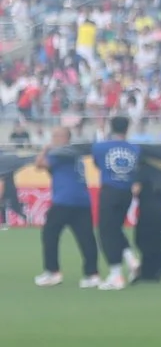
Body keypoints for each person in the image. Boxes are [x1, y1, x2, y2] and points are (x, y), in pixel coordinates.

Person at [35, 126, 99, 288]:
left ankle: (53, 272)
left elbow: (40, 164)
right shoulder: (76, 154)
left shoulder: (60, 153)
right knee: (86, 238)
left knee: (50, 234)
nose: (53, 139)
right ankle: (92, 274)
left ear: (65, 138)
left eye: (56, 136)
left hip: (64, 200)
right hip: (82, 200)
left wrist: (45, 149)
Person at [92, 114, 141, 289]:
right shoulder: (135, 149)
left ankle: (115, 274)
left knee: (106, 232)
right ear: (127, 129)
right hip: (126, 193)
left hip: (110, 191)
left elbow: (98, 163)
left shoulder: (101, 147)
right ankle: (132, 261)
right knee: (115, 229)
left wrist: (100, 130)